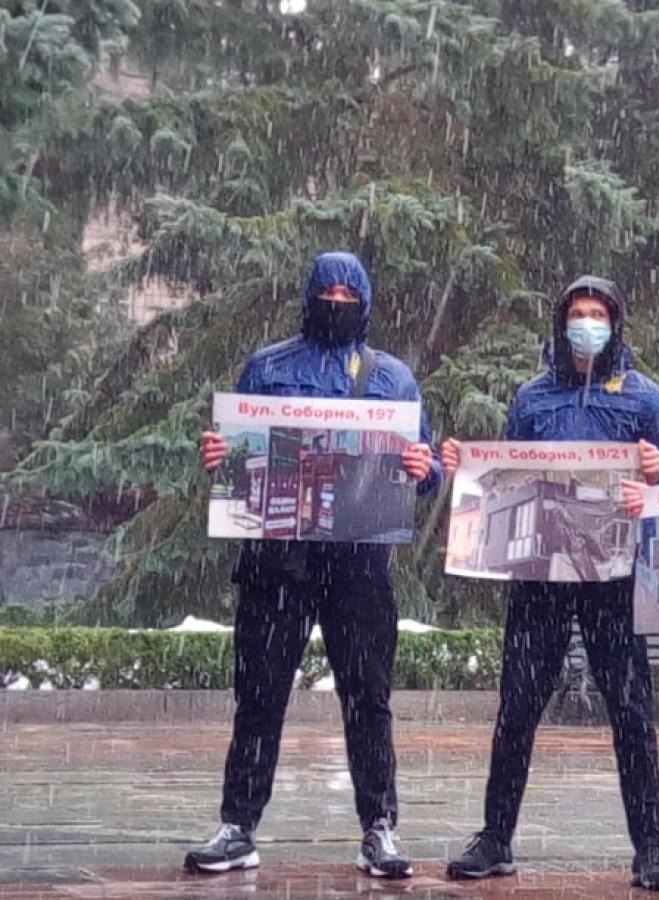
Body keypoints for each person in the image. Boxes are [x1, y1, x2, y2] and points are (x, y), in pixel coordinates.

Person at [187, 251, 441, 879]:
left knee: (368, 700)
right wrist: (220, 452)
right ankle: (238, 827)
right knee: (259, 696)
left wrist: (425, 468)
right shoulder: (268, 366)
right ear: (308, 297)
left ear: (365, 302)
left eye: (348, 295)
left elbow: (428, 465)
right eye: (327, 292)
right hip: (276, 562)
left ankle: (379, 827)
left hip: (359, 564)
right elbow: (238, 451)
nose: (336, 302)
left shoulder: (392, 377)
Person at [440, 275, 659, 892]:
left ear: (615, 324)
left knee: (631, 711)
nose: (587, 324)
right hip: (540, 578)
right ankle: (495, 837)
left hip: (614, 578)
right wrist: (464, 470)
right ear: (561, 324)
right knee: (518, 706)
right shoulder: (532, 398)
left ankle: (650, 847)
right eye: (578, 313)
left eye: (598, 315)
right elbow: (504, 475)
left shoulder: (645, 399)